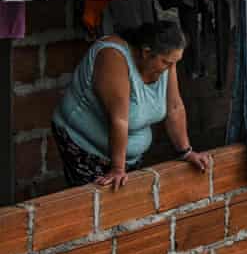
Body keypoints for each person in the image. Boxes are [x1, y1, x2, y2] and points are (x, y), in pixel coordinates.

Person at [52, 21, 210, 189]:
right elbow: (119, 119)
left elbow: (174, 107)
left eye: (174, 63)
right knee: (97, 205)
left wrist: (186, 152)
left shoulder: (165, 61)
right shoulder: (112, 57)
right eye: (167, 62)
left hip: (126, 155)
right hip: (84, 145)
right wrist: (118, 169)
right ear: (146, 52)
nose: (171, 67)